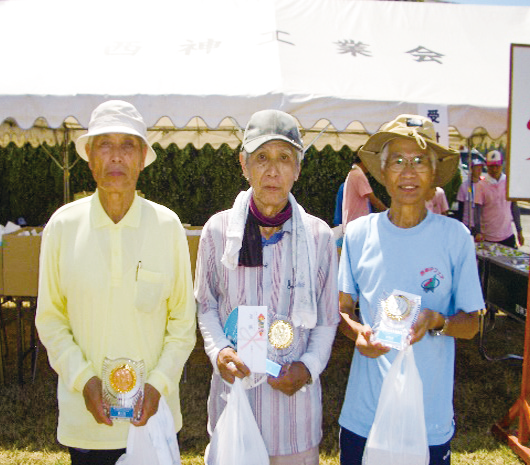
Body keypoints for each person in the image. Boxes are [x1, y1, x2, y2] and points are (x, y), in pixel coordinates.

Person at [35, 100, 197, 465]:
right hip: (86, 422)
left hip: (154, 420)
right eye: (105, 145)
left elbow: (183, 323)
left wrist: (158, 385)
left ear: (143, 158)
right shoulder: (62, 227)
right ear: (89, 157)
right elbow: (50, 319)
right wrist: (85, 381)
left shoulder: (168, 226)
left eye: (128, 146)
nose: (116, 157)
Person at [338, 114, 484, 465]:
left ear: (434, 176)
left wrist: (438, 321)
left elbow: (472, 323)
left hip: (427, 419)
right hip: (364, 415)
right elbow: (342, 308)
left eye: (419, 162)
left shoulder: (455, 238)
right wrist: (356, 333)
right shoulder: (358, 234)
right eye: (397, 162)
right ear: (383, 173)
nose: (408, 172)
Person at [195, 109, 339, 465]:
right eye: (261, 158)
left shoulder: (318, 236)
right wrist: (219, 354)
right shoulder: (218, 231)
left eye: (284, 158)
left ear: (298, 169)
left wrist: (306, 368)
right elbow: (206, 306)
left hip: (294, 415)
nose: (272, 171)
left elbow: (327, 319)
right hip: (235, 402)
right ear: (243, 165)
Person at [477, 150, 524, 248]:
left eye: (497, 166)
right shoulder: (481, 186)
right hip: (488, 237)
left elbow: (514, 208)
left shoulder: (508, 182)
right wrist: (477, 232)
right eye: (491, 166)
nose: (494, 170)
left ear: (501, 165)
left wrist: (519, 231)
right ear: (487, 166)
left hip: (507, 235)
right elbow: (477, 211)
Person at [342, 155, 387, 232]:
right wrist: (387, 212)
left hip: (353, 223)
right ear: (363, 162)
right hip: (358, 224)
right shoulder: (358, 175)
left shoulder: (353, 173)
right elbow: (373, 199)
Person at [456, 154, 486, 236]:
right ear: (471, 169)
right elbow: (460, 208)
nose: (479, 171)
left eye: (480, 168)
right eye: (477, 168)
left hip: (481, 225)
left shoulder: (484, 186)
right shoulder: (464, 186)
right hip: (467, 223)